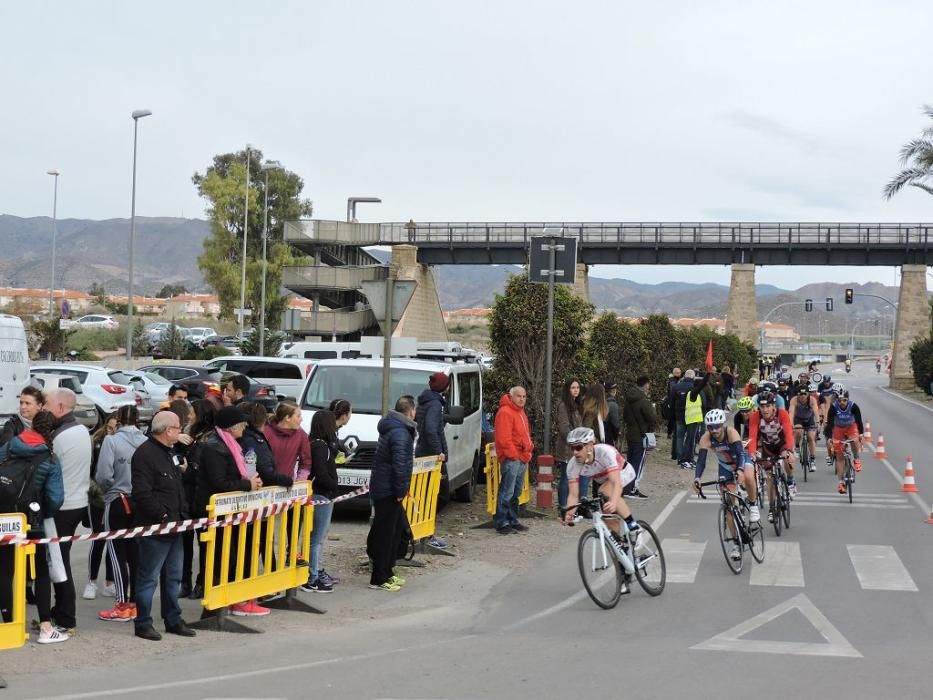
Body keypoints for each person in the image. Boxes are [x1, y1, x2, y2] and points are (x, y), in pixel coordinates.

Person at [0, 410, 66, 643]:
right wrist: (45, 512)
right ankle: (46, 627)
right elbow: (57, 497)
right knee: (41, 571)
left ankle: (8, 624)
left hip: (5, 516)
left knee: (5, 571)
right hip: (32, 519)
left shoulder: (10, 445)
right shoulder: (49, 458)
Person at [130, 411, 196, 641]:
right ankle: (143, 623)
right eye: (178, 427)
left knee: (173, 577)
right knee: (148, 577)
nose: (180, 431)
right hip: (156, 527)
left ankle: (173, 619)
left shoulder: (170, 452)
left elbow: (177, 486)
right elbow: (141, 493)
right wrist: (163, 515)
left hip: (175, 525)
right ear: (168, 430)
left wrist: (181, 513)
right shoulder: (145, 454)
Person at [196, 406, 267, 617]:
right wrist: (247, 485)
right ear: (231, 427)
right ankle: (213, 607)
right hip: (214, 513)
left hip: (229, 513)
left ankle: (228, 601)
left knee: (230, 558)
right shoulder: (215, 448)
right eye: (242, 424)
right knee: (217, 559)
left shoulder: (231, 445)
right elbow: (219, 482)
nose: (245, 428)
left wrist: (251, 481)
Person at [561, 426, 643, 592]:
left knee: (605, 493)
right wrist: (568, 513)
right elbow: (573, 495)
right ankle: (624, 567)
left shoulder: (605, 452)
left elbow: (616, 483)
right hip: (603, 481)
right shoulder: (573, 465)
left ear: (590, 446)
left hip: (623, 474)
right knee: (609, 525)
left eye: (578, 447)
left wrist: (613, 500)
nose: (575, 452)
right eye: (572, 448)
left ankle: (634, 526)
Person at [45, 387, 92, 634]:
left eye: (46, 405)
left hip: (61, 508)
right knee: (60, 560)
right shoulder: (82, 430)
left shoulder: (59, 437)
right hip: (77, 504)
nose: (43, 409)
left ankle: (66, 617)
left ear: (60, 408)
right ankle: (59, 611)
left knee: (58, 564)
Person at [96, 405, 147, 623]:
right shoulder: (145, 441)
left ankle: (121, 604)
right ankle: (135, 602)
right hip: (140, 501)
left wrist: (111, 489)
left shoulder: (111, 441)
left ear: (118, 420)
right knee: (136, 554)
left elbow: (103, 475)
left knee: (117, 555)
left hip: (118, 499)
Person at [693, 409, 759, 561]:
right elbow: (701, 461)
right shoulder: (706, 438)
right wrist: (697, 478)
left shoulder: (731, 433)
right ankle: (736, 543)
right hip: (725, 467)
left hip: (742, 461)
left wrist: (741, 470)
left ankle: (753, 505)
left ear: (722, 424)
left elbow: (741, 454)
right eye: (710, 427)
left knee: (749, 476)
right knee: (728, 505)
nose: (714, 430)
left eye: (716, 426)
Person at [366, 395, 417, 592]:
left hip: (385, 486)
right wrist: (400, 489)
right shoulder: (400, 432)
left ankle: (387, 572)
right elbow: (400, 464)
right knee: (385, 535)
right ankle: (379, 577)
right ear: (411, 411)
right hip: (388, 489)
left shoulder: (396, 428)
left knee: (393, 532)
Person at [300, 410, 340, 593]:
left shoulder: (315, 444)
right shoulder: (320, 447)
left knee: (316, 538)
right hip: (321, 495)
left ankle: (314, 572)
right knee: (316, 539)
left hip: (320, 495)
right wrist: (334, 486)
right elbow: (321, 474)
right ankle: (312, 577)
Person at [182, 399, 216, 599]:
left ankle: (202, 582)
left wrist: (187, 469)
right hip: (187, 496)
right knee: (185, 544)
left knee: (204, 544)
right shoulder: (188, 432)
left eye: (192, 412)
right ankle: (185, 582)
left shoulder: (209, 438)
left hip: (201, 497)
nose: (188, 416)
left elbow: (200, 469)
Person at [414, 371, 450, 549]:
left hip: (424, 454)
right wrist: (439, 453)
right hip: (431, 458)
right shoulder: (435, 404)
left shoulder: (425, 401)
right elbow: (430, 430)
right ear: (444, 387)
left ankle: (424, 532)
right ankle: (426, 534)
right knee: (438, 494)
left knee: (425, 494)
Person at [84, 413, 118, 601]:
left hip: (114, 498)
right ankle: (91, 581)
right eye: (110, 427)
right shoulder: (96, 441)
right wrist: (94, 491)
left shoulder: (119, 444)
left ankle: (110, 582)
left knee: (114, 539)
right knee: (98, 540)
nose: (112, 432)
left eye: (116, 428)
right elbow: (89, 471)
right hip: (98, 498)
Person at [493, 386, 533, 534]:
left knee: (515, 492)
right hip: (512, 458)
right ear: (512, 397)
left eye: (524, 396)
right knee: (507, 491)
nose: (522, 399)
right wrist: (517, 456)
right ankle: (502, 522)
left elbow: (525, 435)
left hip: (520, 458)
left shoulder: (519, 411)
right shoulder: (505, 412)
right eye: (519, 396)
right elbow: (504, 440)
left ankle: (512, 519)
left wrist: (528, 451)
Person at [746, 390, 797, 499]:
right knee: (769, 477)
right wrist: (751, 454)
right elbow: (752, 437)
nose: (765, 410)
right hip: (767, 446)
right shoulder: (755, 416)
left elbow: (788, 433)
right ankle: (772, 507)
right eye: (762, 406)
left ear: (773, 405)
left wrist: (790, 450)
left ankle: (790, 480)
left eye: (768, 406)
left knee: (787, 457)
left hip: (781, 444)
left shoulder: (782, 413)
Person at [622, 375, 657, 500]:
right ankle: (632, 488)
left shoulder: (628, 399)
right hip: (641, 435)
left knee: (630, 462)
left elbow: (625, 416)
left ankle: (626, 487)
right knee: (638, 463)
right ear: (646, 385)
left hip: (630, 434)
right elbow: (652, 418)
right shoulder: (644, 401)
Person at [826, 388, 864, 495]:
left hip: (851, 426)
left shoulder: (854, 406)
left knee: (854, 440)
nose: (842, 403)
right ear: (837, 400)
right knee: (840, 456)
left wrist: (861, 434)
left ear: (848, 400)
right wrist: (829, 438)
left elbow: (859, 421)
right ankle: (841, 482)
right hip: (838, 428)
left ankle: (856, 460)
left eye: (844, 400)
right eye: (840, 400)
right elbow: (829, 424)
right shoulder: (833, 407)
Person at [264, 401, 312, 483]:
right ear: (287, 418)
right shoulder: (266, 432)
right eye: (298, 416)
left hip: (287, 486)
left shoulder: (301, 435)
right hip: (265, 487)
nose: (301, 419)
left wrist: (299, 482)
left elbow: (306, 462)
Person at [555, 379, 584, 509]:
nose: (576, 390)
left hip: (577, 446)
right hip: (567, 448)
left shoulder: (576, 404)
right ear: (568, 389)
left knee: (573, 477)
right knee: (565, 477)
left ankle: (571, 505)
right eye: (573, 387)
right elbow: (564, 429)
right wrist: (576, 441)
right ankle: (562, 506)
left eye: (577, 387)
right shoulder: (563, 405)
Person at [789, 384, 819, 473]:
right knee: (798, 431)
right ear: (797, 394)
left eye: (804, 394)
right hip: (798, 419)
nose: (802, 396)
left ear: (808, 394)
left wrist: (817, 422)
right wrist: (791, 424)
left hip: (809, 419)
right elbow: (791, 413)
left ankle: (812, 460)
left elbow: (816, 411)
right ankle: (797, 446)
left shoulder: (812, 400)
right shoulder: (794, 400)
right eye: (800, 394)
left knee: (811, 437)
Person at [603, 381, 621, 447]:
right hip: (609, 436)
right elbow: (615, 424)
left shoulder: (601, 402)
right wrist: (616, 437)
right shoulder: (613, 405)